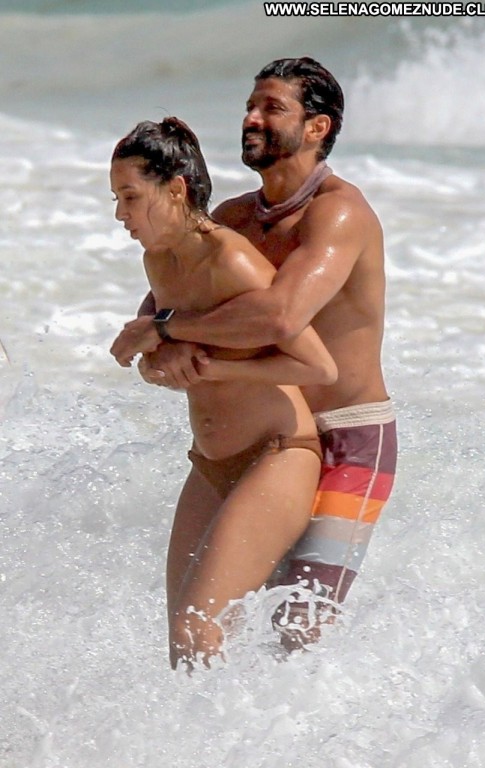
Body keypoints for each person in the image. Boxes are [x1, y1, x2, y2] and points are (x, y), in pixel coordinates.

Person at [111, 57, 398, 649]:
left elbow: (281, 315)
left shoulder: (338, 212)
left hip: (348, 436)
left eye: (272, 108)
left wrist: (167, 331)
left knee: (295, 632)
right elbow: (158, 319)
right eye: (250, 106)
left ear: (316, 127)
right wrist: (163, 349)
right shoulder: (233, 219)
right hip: (263, 430)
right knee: (213, 630)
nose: (252, 119)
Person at [109, 116, 338, 668]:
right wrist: (164, 362)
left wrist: (210, 368)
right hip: (211, 464)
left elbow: (317, 366)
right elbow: (157, 364)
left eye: (130, 197)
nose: (120, 214)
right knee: (184, 649)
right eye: (116, 198)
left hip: (277, 456)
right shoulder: (159, 261)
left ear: (175, 189)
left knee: (197, 631)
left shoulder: (229, 259)